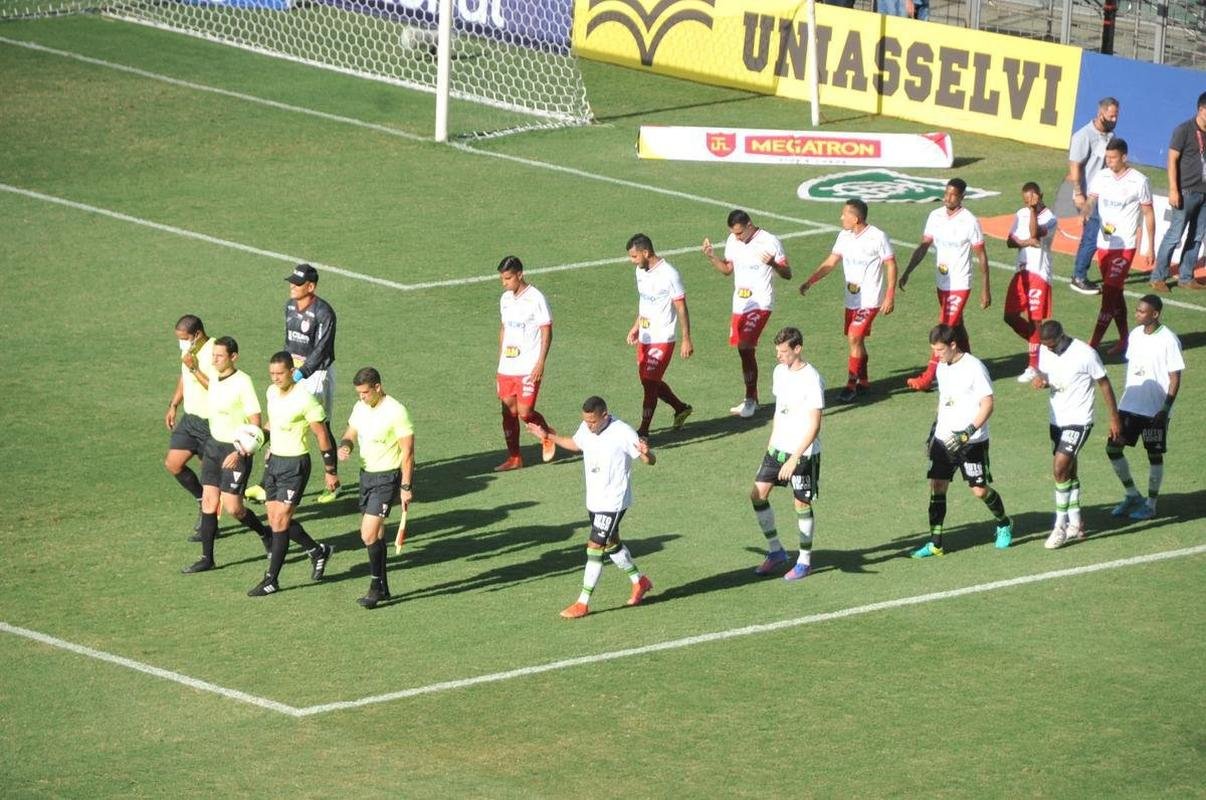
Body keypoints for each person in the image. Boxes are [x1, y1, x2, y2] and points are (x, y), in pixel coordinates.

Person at [527, 396, 654, 619]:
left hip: (613, 501)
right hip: (594, 499)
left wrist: (646, 452)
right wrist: (548, 436)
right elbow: (576, 444)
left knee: (595, 546)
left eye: (593, 422)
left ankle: (582, 603)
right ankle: (639, 581)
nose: (589, 426)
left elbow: (649, 461)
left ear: (604, 415)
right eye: (586, 421)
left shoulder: (623, 432)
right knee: (611, 543)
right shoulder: (587, 427)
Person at [911, 324, 1013, 558]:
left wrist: (967, 433)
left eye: (939, 350)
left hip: (971, 441)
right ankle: (935, 543)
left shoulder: (975, 367)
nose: (936, 355)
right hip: (943, 439)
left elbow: (988, 404)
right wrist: (933, 432)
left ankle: (1004, 523)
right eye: (933, 350)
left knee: (979, 490)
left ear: (953, 345)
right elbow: (944, 400)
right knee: (937, 486)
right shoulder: (941, 367)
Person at [246, 352, 339, 596]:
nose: (275, 378)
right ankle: (318, 551)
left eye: (280, 373)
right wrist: (254, 441)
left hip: (295, 464)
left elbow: (322, 435)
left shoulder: (305, 400)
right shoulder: (271, 392)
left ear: (291, 372)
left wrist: (330, 471)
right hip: (274, 462)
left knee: (280, 521)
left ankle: (271, 579)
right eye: (272, 374)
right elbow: (272, 423)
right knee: (276, 519)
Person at [246, 263, 339, 504]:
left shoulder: (324, 313)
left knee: (320, 426)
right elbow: (288, 340)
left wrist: (301, 374)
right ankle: (266, 484)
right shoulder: (289, 306)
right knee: (280, 419)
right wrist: (287, 367)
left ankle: (332, 480)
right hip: (293, 370)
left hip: (316, 373)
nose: (292, 286)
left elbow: (322, 349)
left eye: (298, 283)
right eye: (292, 282)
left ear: (311, 287)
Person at [183, 337, 274, 574]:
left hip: (235, 451)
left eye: (219, 356)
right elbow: (211, 387)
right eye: (213, 355)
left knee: (234, 508)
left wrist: (240, 451)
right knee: (209, 501)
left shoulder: (243, 382)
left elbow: (255, 422)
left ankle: (266, 534)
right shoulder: (215, 375)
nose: (214, 360)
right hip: (213, 447)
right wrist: (194, 369)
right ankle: (207, 558)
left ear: (233, 357)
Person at [1030, 320, 1121, 549]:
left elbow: (1104, 383)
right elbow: (1048, 374)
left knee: (1059, 468)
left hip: (1079, 420)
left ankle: (1059, 527)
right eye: (1045, 345)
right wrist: (1041, 379)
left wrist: (1114, 418)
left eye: (1052, 345)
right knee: (1069, 469)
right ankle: (1076, 522)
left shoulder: (1085, 353)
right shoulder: (1046, 350)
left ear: (1062, 336)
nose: (1049, 349)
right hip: (1056, 419)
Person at [799, 198, 897, 402]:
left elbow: (890, 264)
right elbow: (832, 261)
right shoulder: (844, 236)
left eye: (845, 214)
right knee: (857, 341)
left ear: (856, 218)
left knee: (854, 336)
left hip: (869, 299)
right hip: (852, 299)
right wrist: (811, 280)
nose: (841, 217)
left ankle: (851, 385)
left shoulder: (877, 236)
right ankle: (864, 382)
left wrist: (889, 295)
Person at [898, 178, 991, 391]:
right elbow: (924, 245)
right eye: (946, 193)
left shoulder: (969, 221)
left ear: (962, 197)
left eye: (953, 195)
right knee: (956, 325)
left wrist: (985, 289)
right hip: (943, 283)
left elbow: (981, 255)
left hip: (960, 282)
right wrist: (908, 270)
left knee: (945, 328)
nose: (948, 198)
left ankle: (928, 377)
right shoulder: (935, 216)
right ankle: (970, 365)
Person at [749, 327, 824, 581]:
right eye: (777, 351)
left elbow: (814, 425)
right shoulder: (779, 372)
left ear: (797, 349)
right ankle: (776, 551)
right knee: (757, 495)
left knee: (801, 504)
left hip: (803, 454)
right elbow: (780, 411)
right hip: (777, 449)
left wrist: (794, 458)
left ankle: (804, 561)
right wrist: (771, 445)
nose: (778, 356)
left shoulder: (812, 379)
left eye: (783, 351)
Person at [701, 209, 792, 417]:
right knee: (744, 351)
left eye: (740, 232)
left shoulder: (770, 241)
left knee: (745, 345)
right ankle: (753, 398)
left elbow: (787, 274)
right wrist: (712, 257)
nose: (737, 237)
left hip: (761, 302)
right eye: (733, 233)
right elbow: (727, 270)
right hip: (740, 304)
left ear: (749, 225)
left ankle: (750, 399)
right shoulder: (733, 240)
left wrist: (773, 263)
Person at [337, 368, 415, 609]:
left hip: (387, 478)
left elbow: (408, 452)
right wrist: (346, 446)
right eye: (359, 393)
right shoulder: (360, 407)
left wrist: (406, 486)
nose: (361, 397)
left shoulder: (396, 411)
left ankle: (374, 587)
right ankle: (384, 586)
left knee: (368, 534)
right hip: (366, 476)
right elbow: (350, 432)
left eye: (365, 392)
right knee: (377, 535)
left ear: (377, 387)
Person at [1106, 295, 1184, 521]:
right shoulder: (1135, 335)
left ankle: (1151, 504)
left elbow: (1175, 377)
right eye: (1137, 310)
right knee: (1112, 448)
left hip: (1154, 412)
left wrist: (1165, 409)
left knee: (1154, 454)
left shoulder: (1169, 340)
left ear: (1155, 314)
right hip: (1129, 405)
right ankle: (1132, 494)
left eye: (1142, 311)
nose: (1137, 314)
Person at [1083, 138, 1155, 354]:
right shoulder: (1102, 176)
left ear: (1124, 157)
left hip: (1125, 246)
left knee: (1109, 294)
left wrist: (1150, 246)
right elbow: (1092, 199)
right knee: (1116, 294)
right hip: (1104, 244)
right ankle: (1125, 340)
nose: (1109, 161)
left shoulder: (1139, 181)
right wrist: (1086, 209)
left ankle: (1092, 345)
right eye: (1107, 157)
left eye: (1113, 158)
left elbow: (1148, 213)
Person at [493, 255, 557, 471]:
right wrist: (500, 359)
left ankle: (547, 435)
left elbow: (546, 331)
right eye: (502, 279)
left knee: (525, 412)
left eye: (508, 278)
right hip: (507, 367)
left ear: (520, 275)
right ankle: (515, 458)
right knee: (508, 412)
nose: (504, 283)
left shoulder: (536, 298)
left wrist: (541, 362)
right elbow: (504, 328)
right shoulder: (505, 299)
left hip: (528, 365)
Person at [626, 233, 694, 439]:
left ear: (646, 252)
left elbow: (681, 307)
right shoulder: (640, 271)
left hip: (663, 337)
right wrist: (636, 326)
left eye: (634, 256)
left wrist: (686, 338)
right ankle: (680, 408)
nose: (632, 261)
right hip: (645, 337)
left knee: (649, 382)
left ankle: (643, 431)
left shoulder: (669, 274)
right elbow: (645, 302)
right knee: (649, 381)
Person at [164, 314, 216, 537]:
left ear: (197, 334)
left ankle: (210, 524)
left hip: (210, 423)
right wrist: (174, 404)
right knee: (173, 463)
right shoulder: (189, 351)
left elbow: (216, 388)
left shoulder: (215, 352)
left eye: (184, 338)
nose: (181, 343)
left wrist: (195, 368)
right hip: (190, 420)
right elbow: (184, 377)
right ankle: (201, 500)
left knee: (209, 478)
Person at [1150, 92, 1206, 292]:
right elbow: (1172, 159)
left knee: (1197, 237)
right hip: (1186, 191)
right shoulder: (1184, 130)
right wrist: (1174, 189)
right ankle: (1158, 276)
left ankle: (1186, 276)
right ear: (1201, 110)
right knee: (1175, 235)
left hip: (1205, 194)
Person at [1004, 182, 1059, 382]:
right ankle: (1044, 346)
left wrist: (1034, 211)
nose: (1029, 204)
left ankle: (1034, 365)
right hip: (1021, 271)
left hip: (1039, 272)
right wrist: (1026, 242)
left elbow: (1036, 233)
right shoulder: (1021, 213)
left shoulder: (1050, 218)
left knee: (1035, 319)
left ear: (1040, 195)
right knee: (1010, 316)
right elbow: (1010, 241)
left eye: (1032, 200)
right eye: (1026, 201)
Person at [1067, 97, 1121, 296]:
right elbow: (1075, 166)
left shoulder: (1110, 135)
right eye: (1111, 116)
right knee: (1092, 236)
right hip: (1090, 197)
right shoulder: (1083, 136)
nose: (1114, 119)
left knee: (1103, 233)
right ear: (1101, 113)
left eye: (1116, 116)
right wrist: (1078, 194)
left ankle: (1093, 271)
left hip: (1105, 196)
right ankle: (1079, 277)